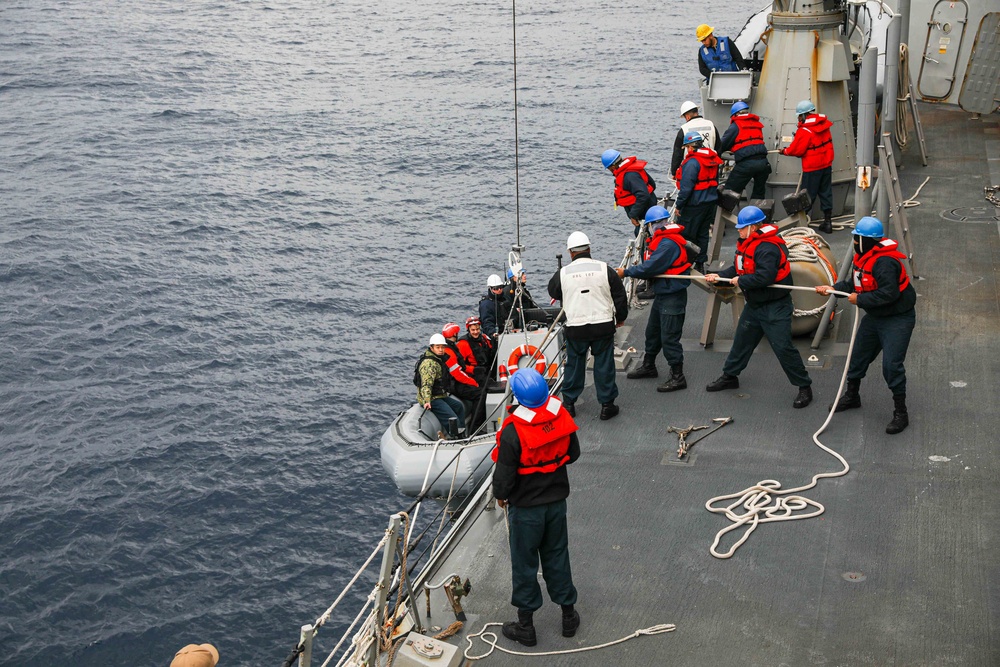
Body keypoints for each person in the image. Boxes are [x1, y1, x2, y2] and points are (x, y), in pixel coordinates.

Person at [491, 368, 581, 647]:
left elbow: (504, 477)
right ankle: (568, 617)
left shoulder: (512, 431)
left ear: (517, 397)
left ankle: (526, 627)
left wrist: (501, 496)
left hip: (526, 510)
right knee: (557, 556)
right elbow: (573, 454)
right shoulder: (562, 416)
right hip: (556, 505)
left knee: (525, 564)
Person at [704, 206, 813, 408]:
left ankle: (804, 386)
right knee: (742, 342)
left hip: (775, 307)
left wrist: (740, 281)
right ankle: (730, 376)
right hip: (755, 305)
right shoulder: (747, 244)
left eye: (742, 228)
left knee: (783, 348)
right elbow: (739, 267)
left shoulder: (767, 248)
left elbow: (765, 276)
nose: (738, 231)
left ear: (753, 228)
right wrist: (720, 277)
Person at [815, 216, 916, 434]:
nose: (853, 241)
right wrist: (832, 288)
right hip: (875, 317)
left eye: (856, 238)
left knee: (891, 366)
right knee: (857, 356)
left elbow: (889, 293)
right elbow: (855, 283)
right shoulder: (863, 258)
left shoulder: (885, 263)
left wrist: (859, 300)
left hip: (897, 319)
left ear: (865, 240)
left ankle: (901, 412)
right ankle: (853, 396)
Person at [547, 231, 629, 420]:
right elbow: (619, 295)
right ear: (589, 249)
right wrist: (621, 318)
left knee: (574, 365)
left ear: (570, 252)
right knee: (604, 364)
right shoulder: (604, 269)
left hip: (576, 327)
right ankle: (607, 405)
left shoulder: (563, 273)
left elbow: (553, 290)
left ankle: (568, 404)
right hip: (603, 326)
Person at [617, 206, 692, 392]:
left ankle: (678, 376)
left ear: (653, 225)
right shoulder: (665, 240)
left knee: (669, 337)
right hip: (664, 293)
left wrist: (625, 272)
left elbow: (650, 267)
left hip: (672, 296)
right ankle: (649, 365)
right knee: (653, 332)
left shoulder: (667, 245)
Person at [781, 100, 835, 234]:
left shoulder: (804, 130)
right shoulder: (824, 125)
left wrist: (784, 151)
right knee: (826, 193)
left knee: (807, 196)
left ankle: (802, 224)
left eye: (799, 116)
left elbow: (796, 150)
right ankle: (828, 222)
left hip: (812, 167)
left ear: (804, 115)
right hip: (826, 165)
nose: (798, 119)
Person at [674, 130, 723, 273]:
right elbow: (715, 181)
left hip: (693, 205)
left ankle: (685, 263)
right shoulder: (711, 159)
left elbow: (686, 188)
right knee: (702, 234)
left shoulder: (692, 163)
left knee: (686, 234)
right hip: (709, 204)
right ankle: (700, 263)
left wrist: (679, 205)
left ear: (690, 147)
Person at [717, 100, 772, 201]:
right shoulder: (757, 124)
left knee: (729, 192)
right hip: (763, 164)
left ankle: (723, 214)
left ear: (735, 115)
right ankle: (756, 213)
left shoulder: (735, 126)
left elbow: (722, 145)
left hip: (746, 165)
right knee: (759, 194)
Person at [415, 333, 467, 438]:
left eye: (442, 347)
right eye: (437, 347)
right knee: (451, 418)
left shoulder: (439, 359)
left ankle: (462, 432)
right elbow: (426, 384)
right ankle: (456, 438)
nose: (440, 350)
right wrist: (427, 400)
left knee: (459, 407)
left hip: (440, 395)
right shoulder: (429, 364)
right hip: (432, 398)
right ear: (432, 348)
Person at [601, 149, 657, 235]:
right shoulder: (632, 169)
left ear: (612, 167)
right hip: (649, 210)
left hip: (644, 215)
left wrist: (633, 215)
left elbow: (643, 195)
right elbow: (652, 184)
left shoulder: (629, 176)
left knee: (641, 236)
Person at [670, 101, 719, 177]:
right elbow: (718, 147)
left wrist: (674, 172)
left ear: (687, 116)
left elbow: (678, 153)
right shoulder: (711, 125)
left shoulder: (684, 129)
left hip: (691, 168)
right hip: (710, 168)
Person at [480, 273, 512, 338]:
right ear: (490, 289)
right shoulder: (486, 304)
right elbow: (487, 322)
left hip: (510, 331)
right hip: (496, 336)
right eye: (496, 288)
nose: (499, 290)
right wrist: (493, 333)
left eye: (501, 287)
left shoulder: (506, 299)